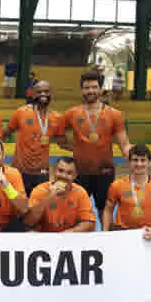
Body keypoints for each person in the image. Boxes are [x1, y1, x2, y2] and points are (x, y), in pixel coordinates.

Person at [59, 71, 131, 220]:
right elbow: (58, 135)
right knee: (76, 209)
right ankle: (77, 240)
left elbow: (124, 143)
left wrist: (131, 154)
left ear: (100, 89)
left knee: (104, 208)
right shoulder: (72, 113)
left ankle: (106, 239)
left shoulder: (114, 114)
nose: (90, 91)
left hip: (104, 171)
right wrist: (73, 147)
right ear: (81, 90)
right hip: (79, 171)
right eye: (86, 88)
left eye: (94, 87)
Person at [2, 81, 67, 196]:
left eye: (46, 91)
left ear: (51, 94)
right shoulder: (21, 112)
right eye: (39, 92)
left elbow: (62, 143)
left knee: (38, 207)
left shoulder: (57, 118)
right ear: (33, 94)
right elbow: (5, 134)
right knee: (17, 207)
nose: (43, 94)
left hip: (42, 172)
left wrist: (83, 147)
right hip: (19, 170)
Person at [103, 144, 151, 240]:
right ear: (129, 162)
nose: (139, 164)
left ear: (150, 163)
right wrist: (105, 234)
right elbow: (108, 210)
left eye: (143, 160)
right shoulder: (117, 185)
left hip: (148, 234)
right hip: (122, 233)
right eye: (135, 160)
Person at [26, 157, 95, 232]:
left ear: (75, 176)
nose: (63, 176)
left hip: (70, 237)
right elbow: (29, 221)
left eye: (69, 173)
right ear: (54, 171)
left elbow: (89, 223)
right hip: (45, 237)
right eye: (60, 171)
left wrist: (71, 232)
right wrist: (50, 197)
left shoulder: (80, 192)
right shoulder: (39, 190)